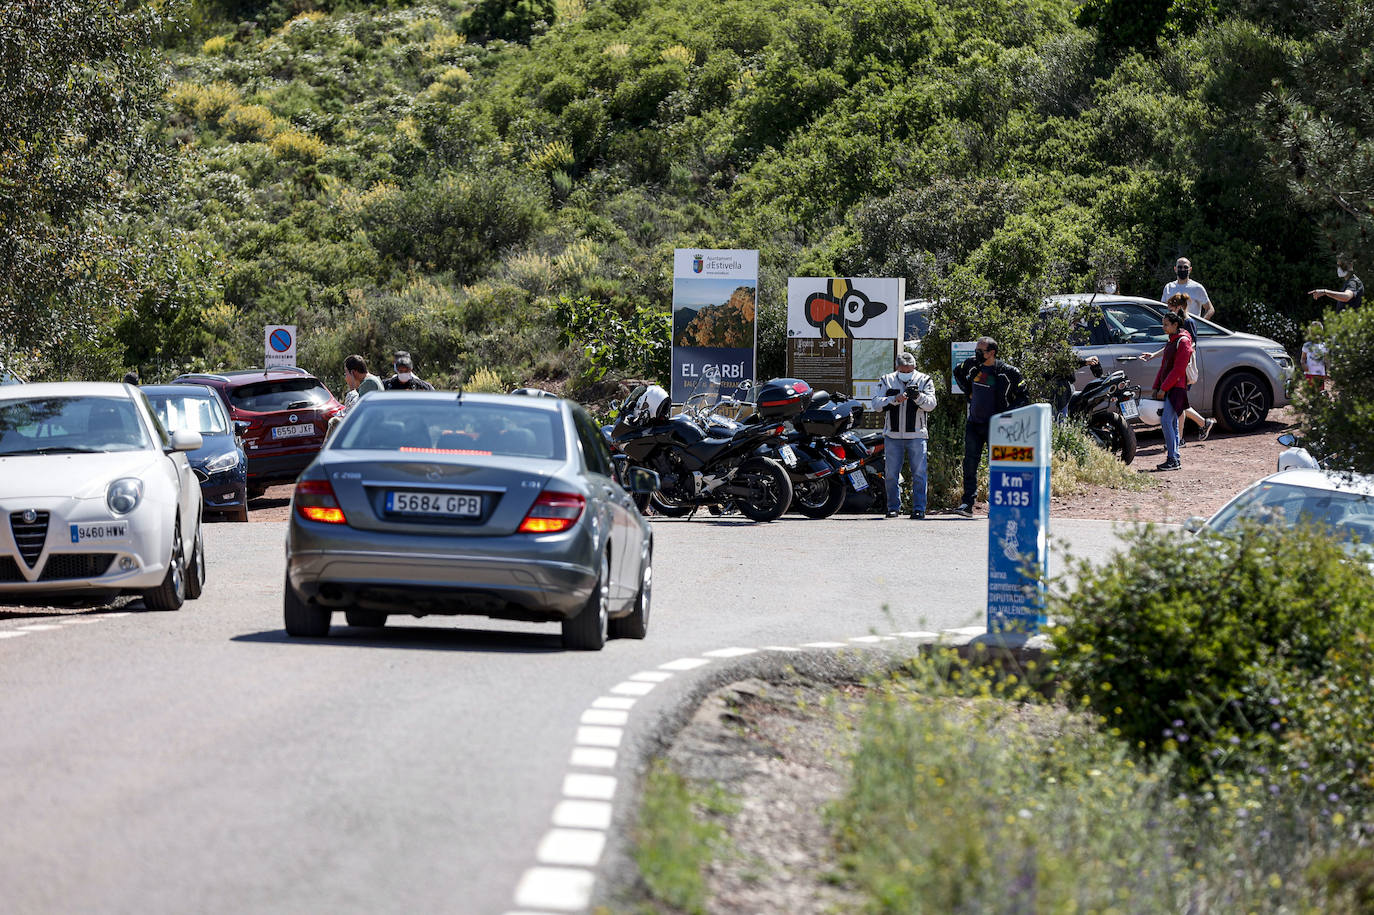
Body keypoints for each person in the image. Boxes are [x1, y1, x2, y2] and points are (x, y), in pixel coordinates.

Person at [953, 337, 1028, 516]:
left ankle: (997, 506)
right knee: (970, 464)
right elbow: (958, 372)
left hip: (997, 427)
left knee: (998, 466)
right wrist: (968, 392)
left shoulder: (1008, 372)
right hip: (974, 424)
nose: (976, 354)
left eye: (980, 351)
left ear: (991, 352)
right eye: (976, 350)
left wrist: (1006, 415)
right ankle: (967, 504)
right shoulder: (972, 365)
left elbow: (1023, 395)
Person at [870, 351, 937, 519]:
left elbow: (931, 405)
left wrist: (918, 397)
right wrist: (895, 399)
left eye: (909, 370)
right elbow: (876, 404)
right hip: (892, 436)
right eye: (903, 370)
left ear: (914, 367)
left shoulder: (924, 380)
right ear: (897, 368)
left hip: (917, 435)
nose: (907, 373)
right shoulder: (887, 380)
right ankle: (893, 507)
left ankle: (919, 509)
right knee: (891, 474)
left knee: (919, 474)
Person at [1141, 293, 1215, 443]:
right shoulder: (1176, 325)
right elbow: (1171, 347)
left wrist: (1177, 362)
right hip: (1177, 370)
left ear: (1179, 307)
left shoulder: (1187, 323)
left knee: (1177, 404)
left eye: (1172, 308)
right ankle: (1196, 427)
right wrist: (1154, 355)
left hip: (1181, 371)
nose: (1169, 311)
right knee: (1179, 404)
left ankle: (1180, 437)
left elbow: (1188, 345)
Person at [1149, 310, 1194, 471]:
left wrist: (1163, 387)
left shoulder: (1182, 342)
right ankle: (1174, 458)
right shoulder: (1174, 340)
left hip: (1176, 388)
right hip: (1172, 387)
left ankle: (1172, 458)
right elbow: (1165, 366)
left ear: (1175, 325)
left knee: (1167, 421)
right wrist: (1157, 387)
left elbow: (1178, 370)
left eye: (1166, 325)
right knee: (1172, 423)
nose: (1164, 327)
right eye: (1163, 324)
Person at [1301, 321, 1328, 391]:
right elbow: (1303, 359)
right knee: (1310, 393)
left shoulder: (1324, 346)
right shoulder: (1307, 345)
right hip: (1309, 373)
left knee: (1319, 393)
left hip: (1320, 374)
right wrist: (1304, 365)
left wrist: (1327, 371)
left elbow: (1326, 360)